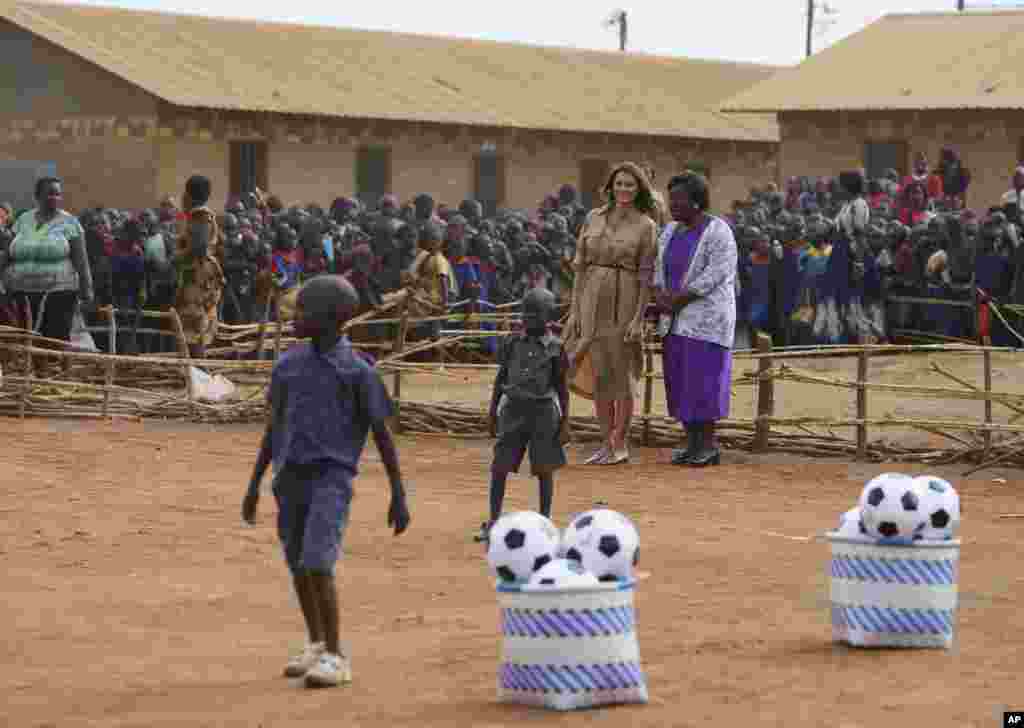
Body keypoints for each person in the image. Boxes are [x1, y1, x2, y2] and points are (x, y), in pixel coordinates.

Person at [241, 275, 411, 688]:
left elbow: (382, 435)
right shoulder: (287, 367)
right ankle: (316, 643)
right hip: (290, 478)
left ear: (332, 319)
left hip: (331, 478)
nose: (294, 316)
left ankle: (337, 656)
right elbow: (273, 428)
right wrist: (253, 486)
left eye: (303, 309)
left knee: (317, 561)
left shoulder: (358, 371)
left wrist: (398, 494)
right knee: (298, 563)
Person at [565, 161, 657, 466]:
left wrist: (638, 318)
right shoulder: (593, 218)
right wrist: (576, 310)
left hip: (627, 299)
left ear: (640, 188)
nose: (624, 190)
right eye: (619, 184)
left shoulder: (646, 225)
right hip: (592, 296)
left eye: (630, 184)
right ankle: (605, 441)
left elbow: (646, 276)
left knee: (624, 375)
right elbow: (579, 267)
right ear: (610, 187)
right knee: (601, 374)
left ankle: (620, 443)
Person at [653, 172, 737, 467]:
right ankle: (690, 444)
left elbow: (717, 273)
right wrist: (659, 294)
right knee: (680, 381)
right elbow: (657, 266)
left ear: (697, 201)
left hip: (706, 322)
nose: (673, 204)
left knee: (703, 382)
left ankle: (708, 446)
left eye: (679, 198)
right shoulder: (669, 231)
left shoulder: (719, 231)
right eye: (671, 198)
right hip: (674, 321)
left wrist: (679, 299)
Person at [477, 287, 568, 542]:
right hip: (513, 410)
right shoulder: (511, 342)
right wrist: (492, 412)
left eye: (535, 313)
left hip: (544, 413)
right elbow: (501, 378)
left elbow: (561, 387)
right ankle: (494, 520)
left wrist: (565, 422)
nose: (528, 318)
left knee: (545, 469)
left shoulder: (556, 348)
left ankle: (546, 521)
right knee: (499, 466)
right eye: (525, 313)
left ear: (549, 316)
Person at [2, 177, 93, 341]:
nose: (55, 198)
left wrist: (87, 290)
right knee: (25, 339)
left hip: (59, 294)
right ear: (37, 196)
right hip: (21, 293)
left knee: (54, 338)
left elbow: (81, 260)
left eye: (58, 194)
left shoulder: (70, 223)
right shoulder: (23, 220)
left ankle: (54, 367)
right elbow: (8, 252)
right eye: (50, 193)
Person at [174, 175, 225, 358]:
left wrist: (175, 258)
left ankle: (198, 373)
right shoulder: (205, 215)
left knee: (194, 324)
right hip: (202, 272)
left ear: (188, 194)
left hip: (197, 274)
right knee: (197, 325)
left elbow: (199, 247)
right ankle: (197, 371)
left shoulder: (199, 216)